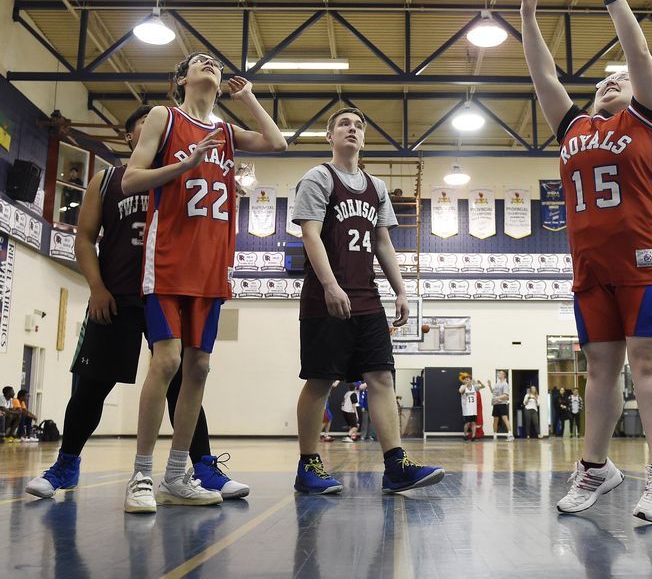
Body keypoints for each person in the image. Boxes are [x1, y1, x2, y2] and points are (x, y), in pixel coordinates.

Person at [521, 0, 652, 523]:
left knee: (647, 361)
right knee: (600, 369)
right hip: (590, 267)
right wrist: (529, 19)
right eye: (602, 80)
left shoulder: (649, 121)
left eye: (619, 78)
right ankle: (597, 467)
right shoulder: (573, 129)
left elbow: (638, 56)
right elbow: (543, 77)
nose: (612, 80)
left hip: (645, 259)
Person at [25, 105, 249, 500]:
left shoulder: (189, 171)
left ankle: (201, 468)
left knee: (186, 380)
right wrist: (96, 286)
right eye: (146, 127)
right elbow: (84, 238)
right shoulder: (108, 179)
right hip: (119, 294)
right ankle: (66, 464)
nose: (159, 131)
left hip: (169, 290)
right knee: (92, 386)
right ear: (133, 138)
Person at [121, 54, 286, 513]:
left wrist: (248, 96)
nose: (209, 63)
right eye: (199, 62)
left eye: (213, 62)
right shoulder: (164, 117)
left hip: (212, 264)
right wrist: (184, 164)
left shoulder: (228, 132)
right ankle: (140, 475)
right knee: (167, 361)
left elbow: (276, 142)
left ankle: (178, 474)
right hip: (170, 258)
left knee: (199, 368)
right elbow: (131, 180)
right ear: (181, 80)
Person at [291, 107, 443, 496]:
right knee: (321, 380)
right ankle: (308, 465)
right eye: (344, 124)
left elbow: (382, 243)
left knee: (381, 377)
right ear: (329, 136)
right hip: (326, 298)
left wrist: (402, 289)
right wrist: (329, 284)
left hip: (368, 299)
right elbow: (310, 236)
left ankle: (396, 465)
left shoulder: (375, 186)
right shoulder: (318, 178)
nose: (352, 129)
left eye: (359, 125)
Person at [490, 370, 514, 440]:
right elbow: (493, 392)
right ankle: (494, 435)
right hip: (496, 404)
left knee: (505, 418)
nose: (498, 374)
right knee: (495, 420)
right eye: (498, 373)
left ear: (504, 375)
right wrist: (489, 385)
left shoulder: (505, 384)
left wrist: (497, 397)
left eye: (500, 373)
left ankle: (510, 435)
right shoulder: (497, 384)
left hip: (502, 404)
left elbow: (506, 396)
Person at [459, 376, 484, 440]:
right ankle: (465, 435)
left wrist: (480, 383)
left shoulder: (474, 387)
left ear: (471, 380)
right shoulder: (463, 387)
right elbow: (460, 391)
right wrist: (466, 384)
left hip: (473, 409)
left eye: (468, 380)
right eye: (466, 380)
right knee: (467, 423)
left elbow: (483, 386)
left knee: (473, 422)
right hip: (466, 409)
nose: (467, 381)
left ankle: (473, 436)